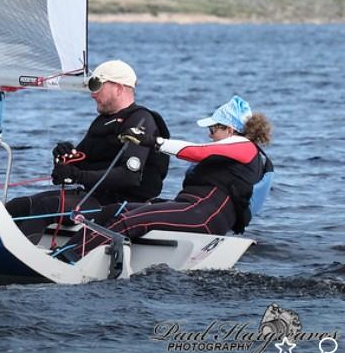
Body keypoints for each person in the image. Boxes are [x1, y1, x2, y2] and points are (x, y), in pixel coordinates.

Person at [56, 95, 274, 262]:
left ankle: (67, 259)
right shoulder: (231, 148)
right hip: (191, 207)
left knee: (131, 221)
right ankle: (70, 253)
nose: (209, 134)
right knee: (116, 210)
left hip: (203, 214)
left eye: (213, 128)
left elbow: (195, 151)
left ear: (229, 129)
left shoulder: (244, 146)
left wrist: (151, 141)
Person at [5, 60, 171, 244]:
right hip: (94, 196)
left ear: (118, 88)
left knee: (48, 206)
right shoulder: (102, 121)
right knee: (20, 205)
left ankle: (23, 258)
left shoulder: (141, 120)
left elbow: (129, 177)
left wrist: (78, 175)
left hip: (122, 204)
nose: (92, 94)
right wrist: (64, 158)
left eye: (97, 85)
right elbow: (80, 163)